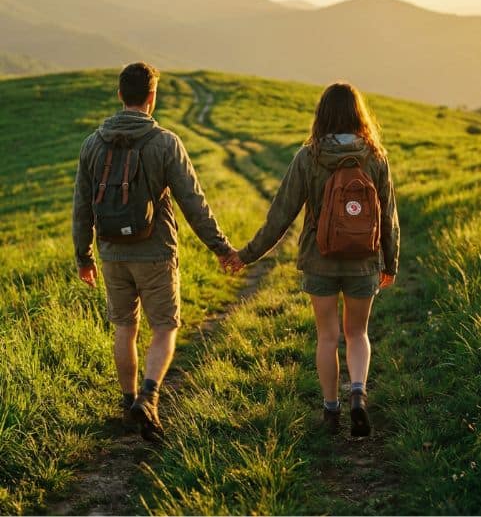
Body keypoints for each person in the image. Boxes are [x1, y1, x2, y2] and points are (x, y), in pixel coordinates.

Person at [226, 82, 400, 436]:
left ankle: (331, 410)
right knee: (357, 332)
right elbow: (389, 216)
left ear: (322, 115)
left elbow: (280, 215)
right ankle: (359, 396)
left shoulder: (309, 157)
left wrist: (246, 255)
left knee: (327, 336)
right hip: (364, 260)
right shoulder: (375, 157)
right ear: (358, 114)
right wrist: (390, 262)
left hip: (320, 260)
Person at [72, 62, 234, 441]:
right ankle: (148, 397)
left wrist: (84, 256)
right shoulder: (165, 142)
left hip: (111, 254)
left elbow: (81, 207)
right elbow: (193, 201)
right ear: (152, 97)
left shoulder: (92, 144)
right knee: (164, 327)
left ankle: (128, 402)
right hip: (157, 253)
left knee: (124, 328)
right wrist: (221, 248)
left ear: (119, 96)